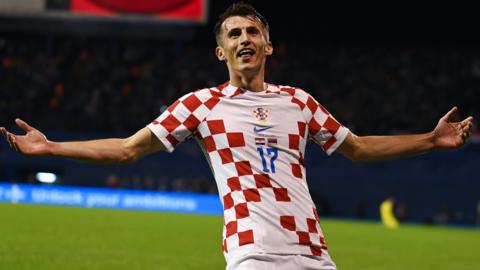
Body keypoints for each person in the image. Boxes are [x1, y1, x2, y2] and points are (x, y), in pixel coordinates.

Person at [0, 2, 474, 270]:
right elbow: (127, 149)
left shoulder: (299, 101)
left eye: (252, 31)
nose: (244, 38)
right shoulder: (200, 105)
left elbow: (358, 147)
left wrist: (429, 141)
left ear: (268, 45)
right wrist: (52, 147)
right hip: (253, 252)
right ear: (220, 50)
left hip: (314, 253)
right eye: (234, 33)